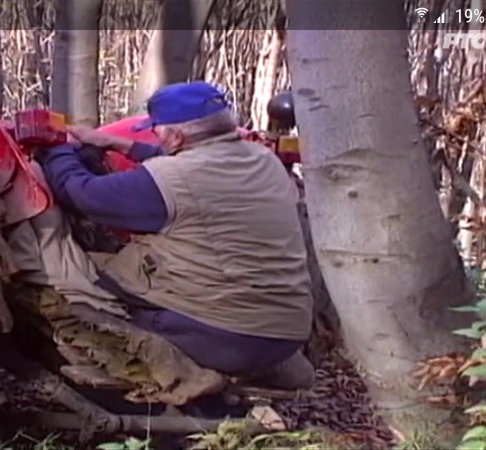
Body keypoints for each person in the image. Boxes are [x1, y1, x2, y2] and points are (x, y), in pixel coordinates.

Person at [38, 81, 315, 390]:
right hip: (286, 331)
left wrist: (58, 149)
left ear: (176, 135)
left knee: (77, 276)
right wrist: (116, 143)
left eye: (157, 129)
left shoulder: (172, 180)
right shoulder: (261, 159)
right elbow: (191, 164)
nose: (155, 134)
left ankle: (154, 382)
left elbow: (82, 194)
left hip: (229, 337)